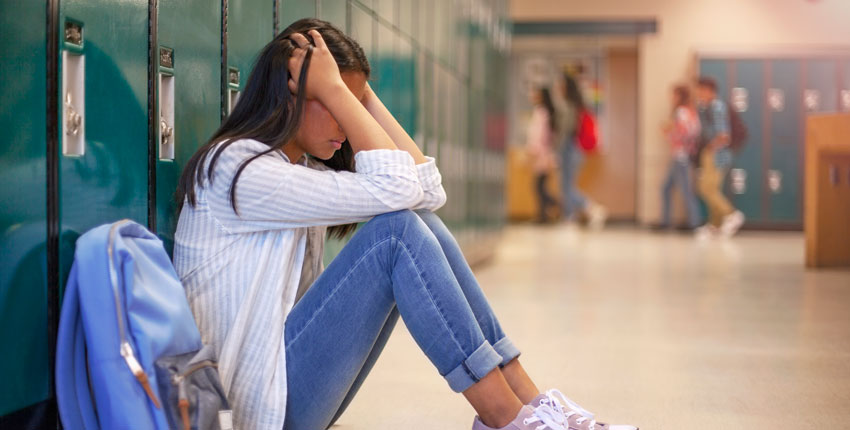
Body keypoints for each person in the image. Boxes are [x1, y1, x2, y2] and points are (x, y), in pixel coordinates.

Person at [173, 19, 637, 430]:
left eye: (354, 104)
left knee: (416, 222)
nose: (346, 123)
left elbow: (427, 190)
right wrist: (338, 90)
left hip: (283, 389)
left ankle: (529, 403)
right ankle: (505, 419)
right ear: (292, 91)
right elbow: (398, 191)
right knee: (395, 234)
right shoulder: (238, 169)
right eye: (335, 103)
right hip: (253, 408)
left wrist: (356, 92)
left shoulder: (298, 170)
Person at [694, 77, 745, 238]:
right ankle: (714, 225)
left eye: (701, 90)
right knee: (710, 189)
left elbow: (724, 136)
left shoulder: (717, 107)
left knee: (707, 188)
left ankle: (731, 214)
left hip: (716, 154)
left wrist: (711, 147)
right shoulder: (706, 107)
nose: (698, 93)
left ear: (709, 91)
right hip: (711, 152)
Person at [555, 73, 607, 229]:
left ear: (566, 87)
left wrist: (556, 149)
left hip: (569, 149)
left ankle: (591, 207)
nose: (558, 88)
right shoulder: (578, 105)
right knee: (566, 186)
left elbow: (566, 130)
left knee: (567, 187)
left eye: (560, 85)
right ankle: (569, 217)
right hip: (576, 149)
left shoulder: (568, 105)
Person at [659, 85, 701, 230]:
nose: (671, 98)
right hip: (682, 155)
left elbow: (684, 133)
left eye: (673, 95)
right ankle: (666, 222)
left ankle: (694, 222)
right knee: (666, 188)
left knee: (685, 190)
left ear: (679, 96)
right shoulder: (691, 111)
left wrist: (667, 133)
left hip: (681, 155)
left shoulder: (681, 112)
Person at [525, 87, 559, 223]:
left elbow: (539, 135)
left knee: (538, 186)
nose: (532, 96)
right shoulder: (546, 113)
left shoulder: (541, 113)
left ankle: (552, 205)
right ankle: (543, 215)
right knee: (540, 186)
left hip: (541, 155)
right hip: (544, 154)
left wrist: (533, 150)